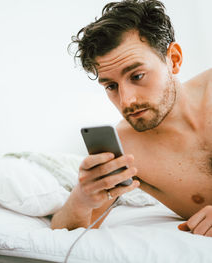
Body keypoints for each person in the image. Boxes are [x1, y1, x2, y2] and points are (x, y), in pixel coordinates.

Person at [51, 0, 212, 236]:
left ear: (174, 60)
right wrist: (82, 198)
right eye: (111, 86)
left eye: (137, 76)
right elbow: (63, 232)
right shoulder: (127, 149)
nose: (127, 101)